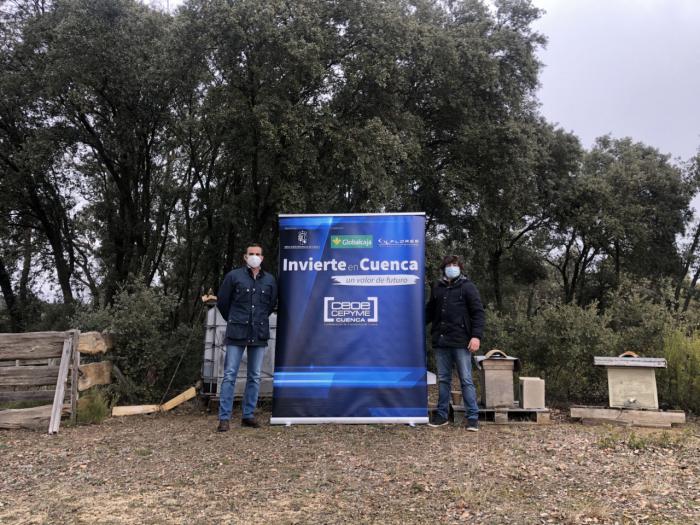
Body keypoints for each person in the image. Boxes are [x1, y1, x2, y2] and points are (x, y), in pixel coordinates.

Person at [216, 244, 277, 432]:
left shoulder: (269, 280)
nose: (254, 257)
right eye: (251, 254)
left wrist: (256, 321)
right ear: (245, 257)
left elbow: (270, 305)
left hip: (258, 333)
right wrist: (235, 320)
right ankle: (224, 418)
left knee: (254, 376)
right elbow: (223, 303)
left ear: (262, 257)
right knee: (229, 375)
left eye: (258, 254)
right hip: (237, 332)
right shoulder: (233, 276)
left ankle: (248, 416)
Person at [425, 255, 485, 431]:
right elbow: (429, 311)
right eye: (449, 265)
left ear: (460, 268)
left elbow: (478, 313)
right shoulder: (437, 287)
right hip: (441, 341)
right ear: (443, 268)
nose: (452, 267)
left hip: (462, 341)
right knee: (443, 379)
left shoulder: (468, 287)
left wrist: (476, 336)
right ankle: (442, 415)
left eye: (455, 265)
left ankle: (472, 417)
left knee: (466, 379)